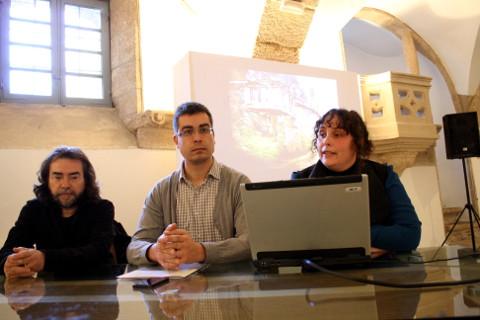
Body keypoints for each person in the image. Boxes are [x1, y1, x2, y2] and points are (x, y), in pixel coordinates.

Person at [127, 102, 251, 269]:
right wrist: (155, 251)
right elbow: (134, 248)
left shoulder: (238, 184)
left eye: (204, 129)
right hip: (179, 290)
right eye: (187, 132)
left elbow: (249, 242)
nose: (197, 138)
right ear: (176, 140)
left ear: (213, 136)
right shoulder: (161, 191)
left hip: (229, 286)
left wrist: (200, 252)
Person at [291, 108, 421, 258]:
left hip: (380, 273)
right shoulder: (301, 179)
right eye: (322, 134)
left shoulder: (383, 175)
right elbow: (298, 241)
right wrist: (378, 241)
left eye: (337, 134)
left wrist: (333, 237)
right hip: (318, 277)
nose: (326, 141)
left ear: (358, 141)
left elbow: (411, 234)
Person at [0, 146, 115, 278]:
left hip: (97, 290)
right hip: (47, 293)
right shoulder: (34, 209)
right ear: (47, 180)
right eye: (57, 177)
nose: (65, 185)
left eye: (74, 177)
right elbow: (8, 250)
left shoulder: (102, 208)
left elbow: (97, 252)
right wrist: (7, 263)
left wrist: (45, 259)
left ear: (86, 180)